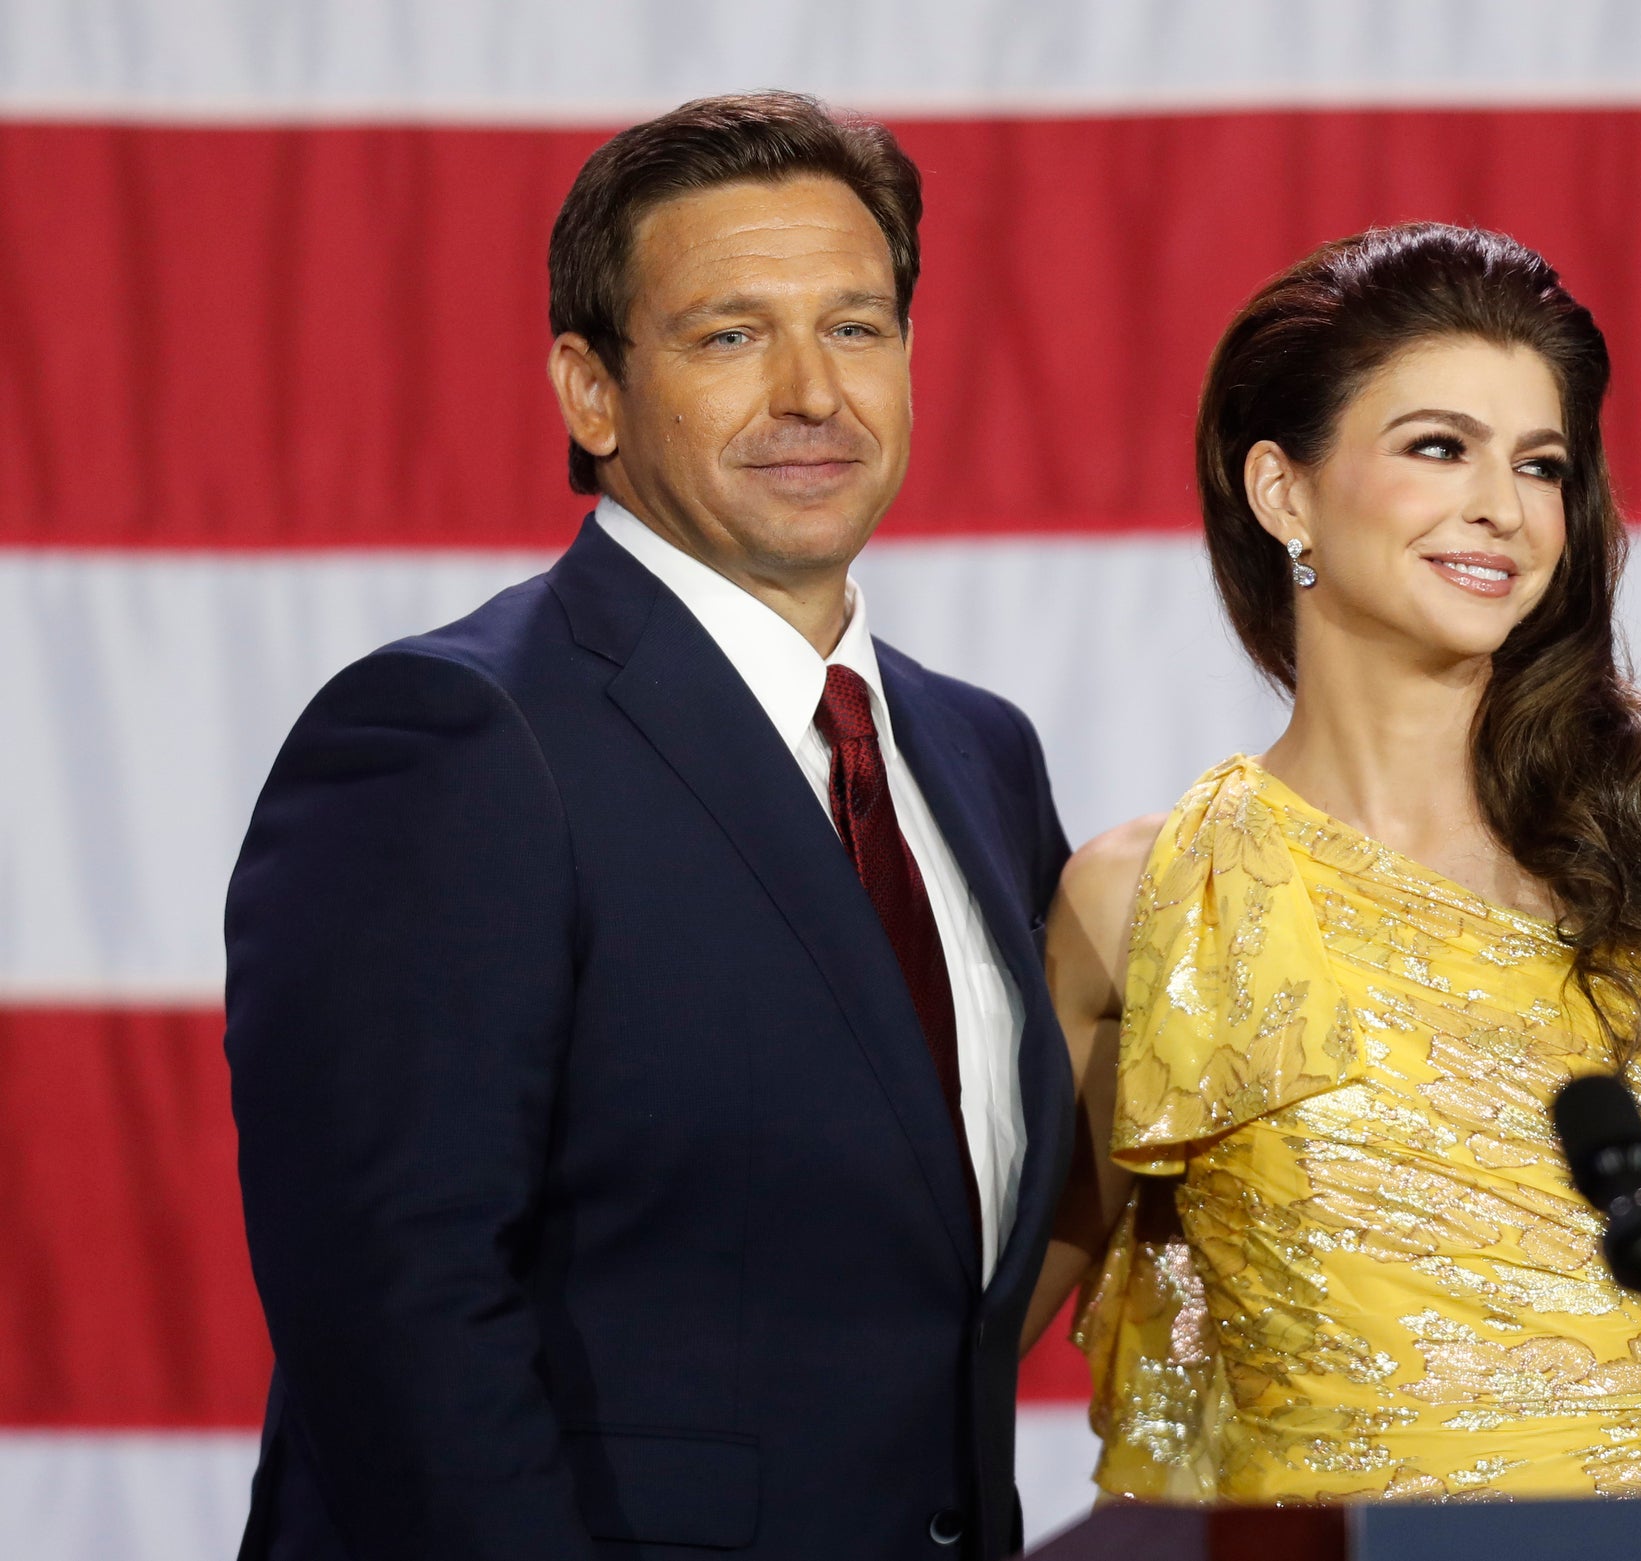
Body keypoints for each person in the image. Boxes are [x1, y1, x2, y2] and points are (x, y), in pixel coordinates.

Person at [226, 92, 1073, 1560]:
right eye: (729, 335)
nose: (812, 391)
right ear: (590, 391)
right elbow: (402, 1315)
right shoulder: (452, 739)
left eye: (858, 327)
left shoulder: (976, 752)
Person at [1024, 222, 1641, 1500]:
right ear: (1283, 492)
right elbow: (966, 1332)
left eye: (1538, 464)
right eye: (1438, 447)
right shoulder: (1149, 897)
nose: (1503, 507)